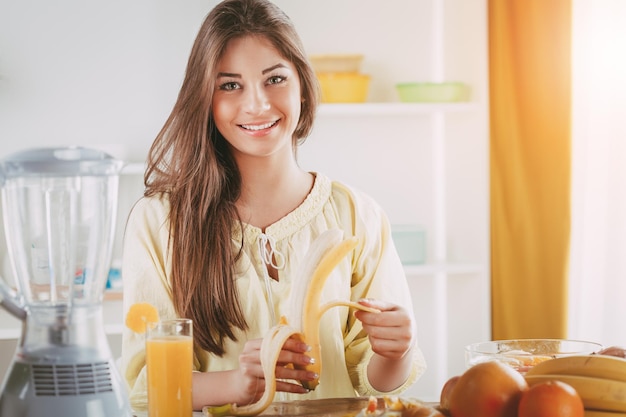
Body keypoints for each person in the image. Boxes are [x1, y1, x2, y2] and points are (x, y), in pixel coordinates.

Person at [120, 0, 426, 411]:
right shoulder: (160, 221)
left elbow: (376, 383)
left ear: (303, 84)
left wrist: (396, 353)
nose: (258, 104)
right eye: (230, 85)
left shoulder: (358, 215)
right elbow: (148, 386)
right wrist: (236, 383)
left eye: (275, 79)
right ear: (204, 99)